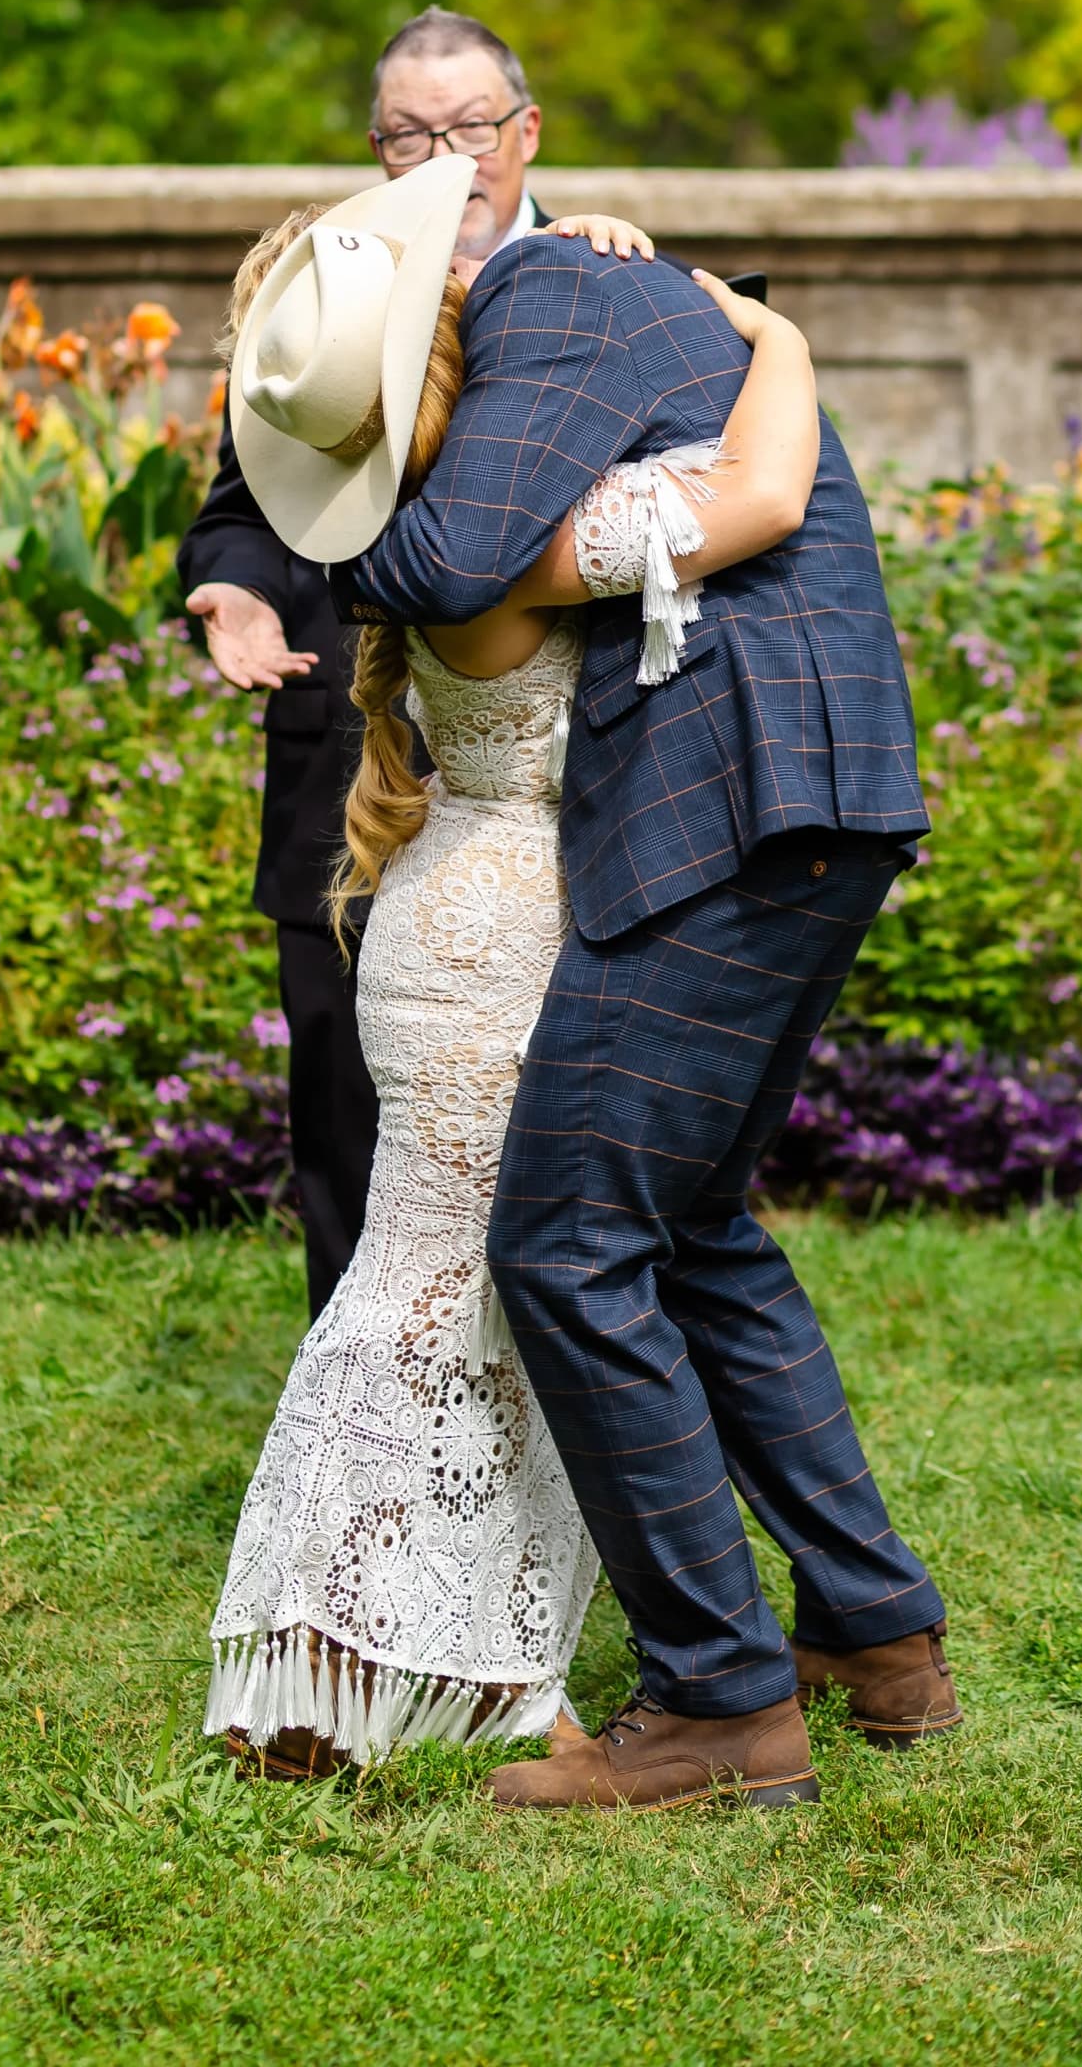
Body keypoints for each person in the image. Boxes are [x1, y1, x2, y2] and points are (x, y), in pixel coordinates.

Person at [336, 167, 959, 1813]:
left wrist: (744, 319)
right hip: (817, 807)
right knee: (693, 1231)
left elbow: (470, 547)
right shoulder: (603, 376)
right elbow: (740, 488)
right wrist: (773, 326)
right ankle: (878, 1633)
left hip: (730, 828)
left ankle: (716, 1704)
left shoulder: (540, 324)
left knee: (566, 1242)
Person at [202, 159, 820, 1778]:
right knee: (490, 1304)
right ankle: (461, 1666)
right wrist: (770, 330)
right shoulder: (506, 536)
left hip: (436, 920)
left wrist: (582, 255)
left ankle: (334, 1653)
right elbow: (757, 495)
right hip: (516, 928)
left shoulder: (414, 513)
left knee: (410, 1291)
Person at [177, 8, 549, 1319]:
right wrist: (225, 588)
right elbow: (244, 499)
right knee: (341, 1114)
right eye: (407, 133)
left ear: (526, 135)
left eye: (467, 129)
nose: (441, 155)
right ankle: (349, 1419)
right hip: (347, 774)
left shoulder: (611, 282)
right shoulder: (323, 287)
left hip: (555, 786)